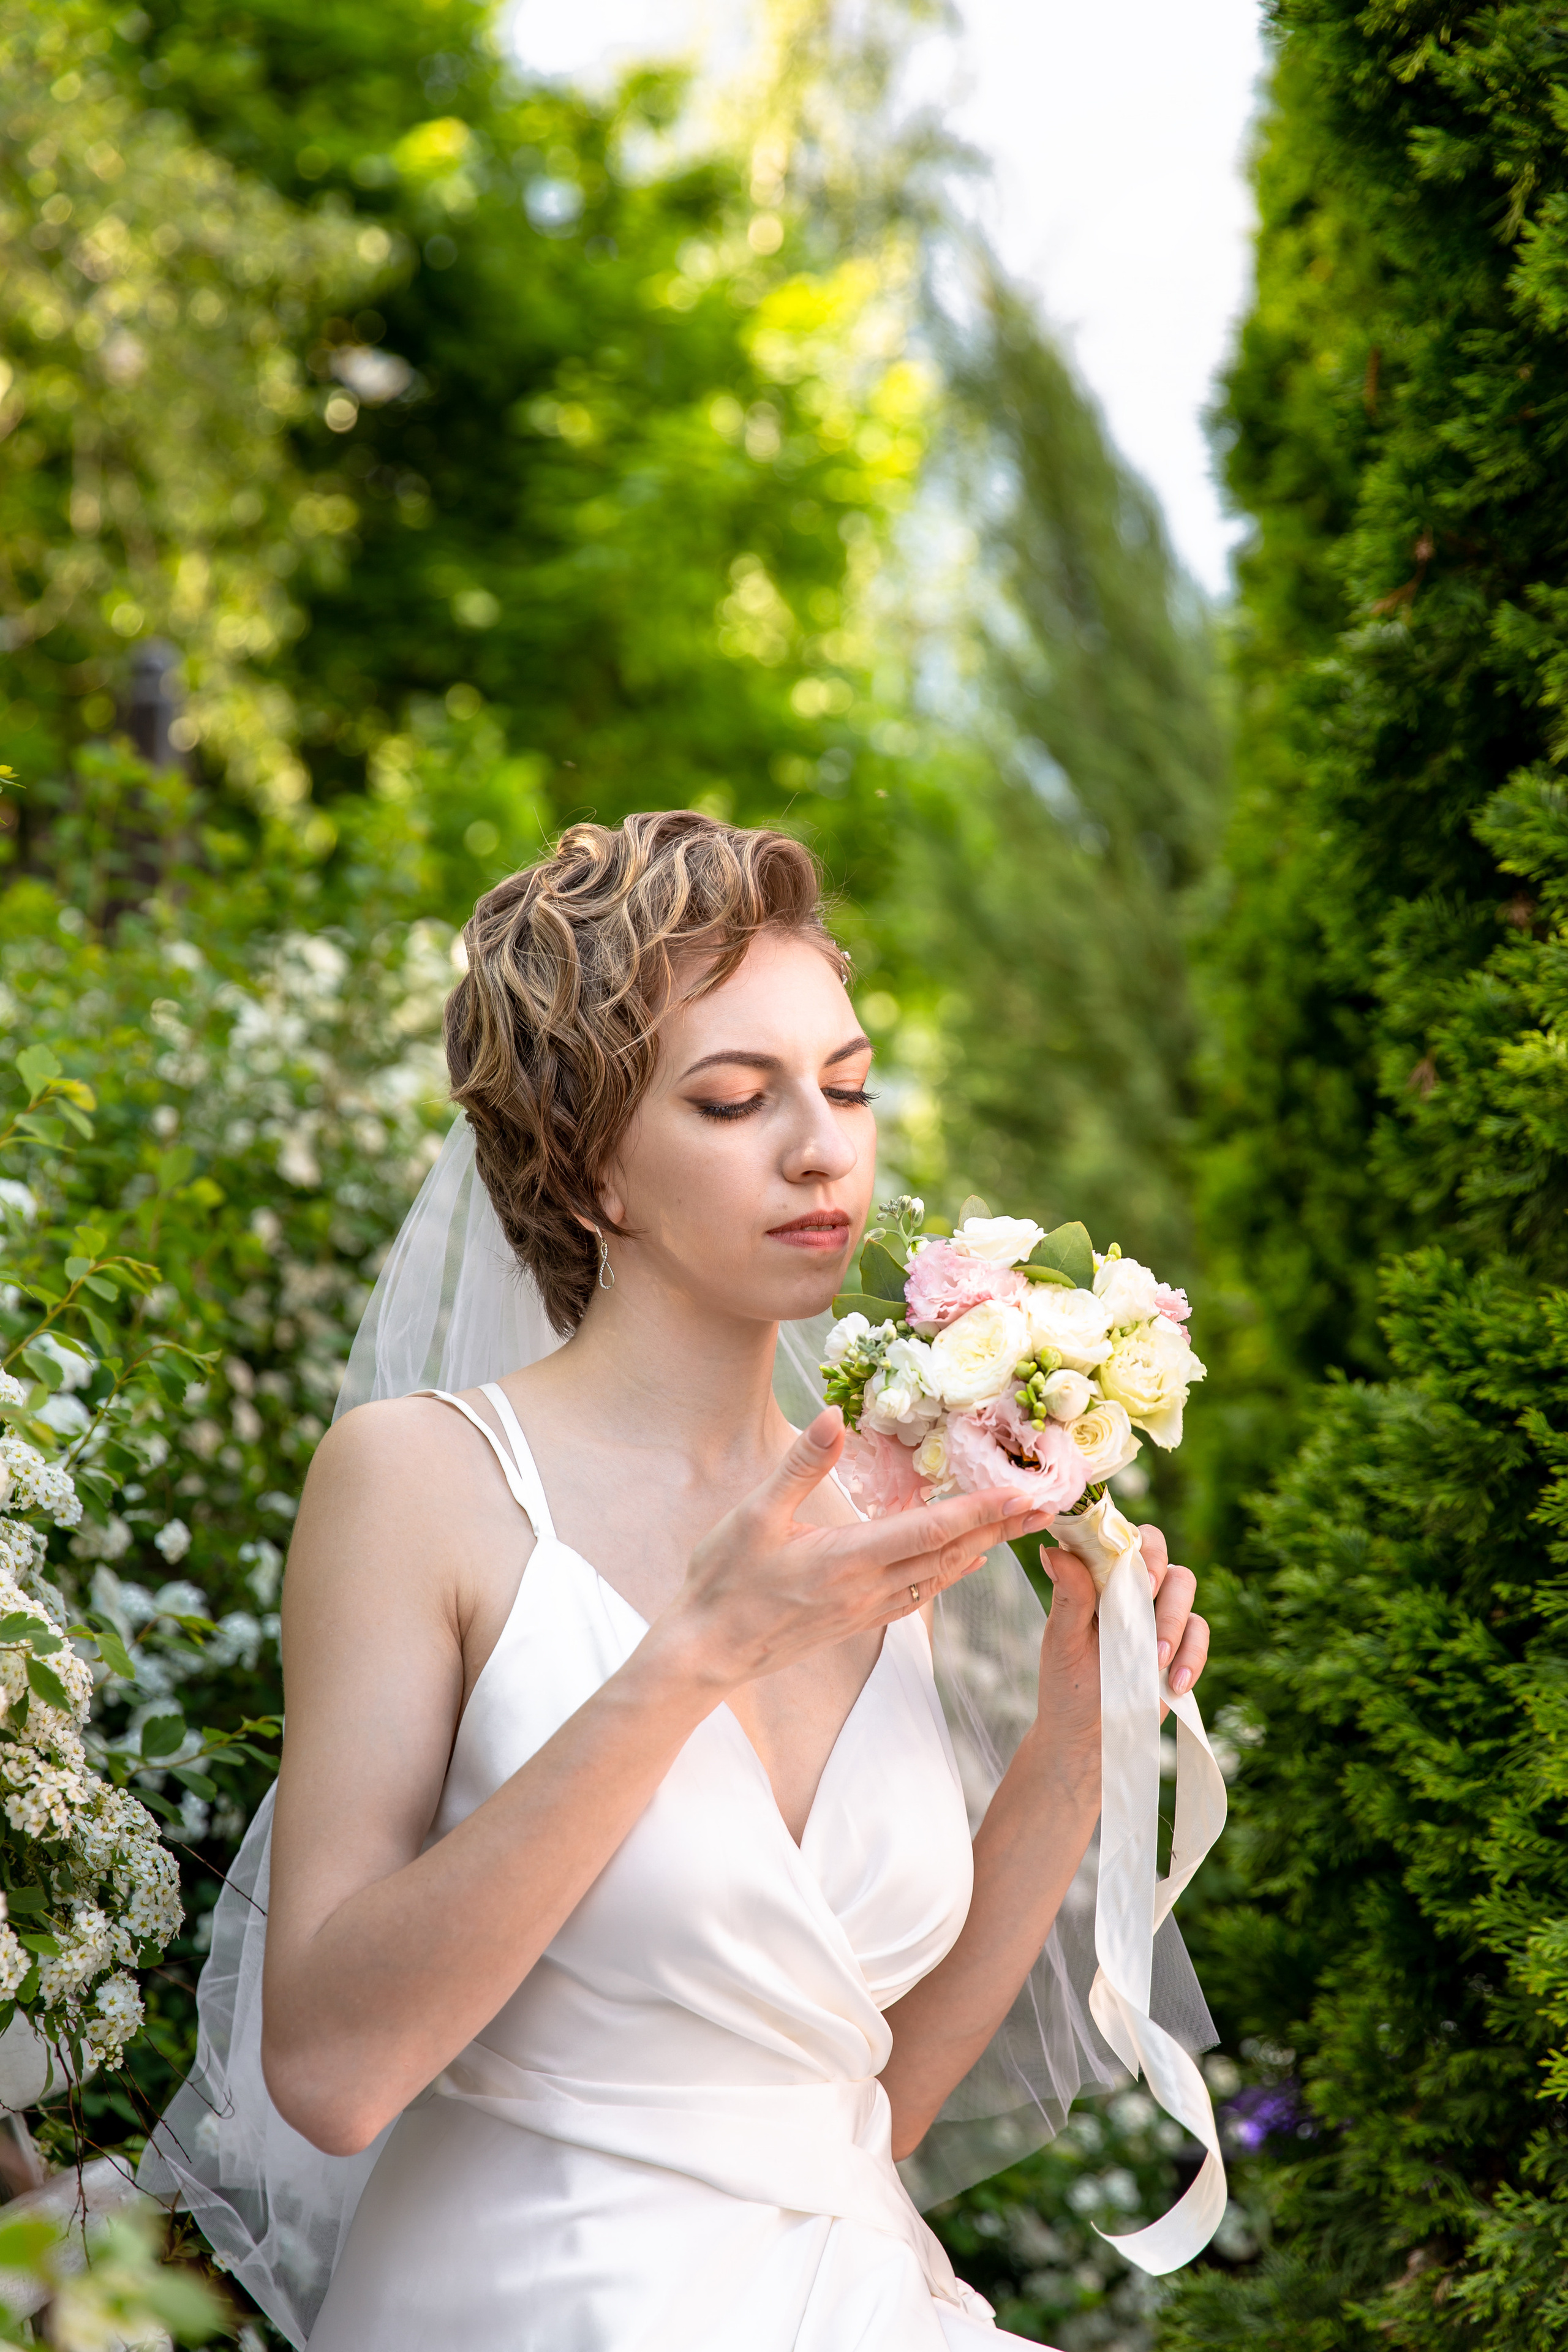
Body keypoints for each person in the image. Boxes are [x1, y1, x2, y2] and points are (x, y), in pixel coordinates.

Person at [247, 813, 1209, 2347]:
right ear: (586, 1169)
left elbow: (866, 2108)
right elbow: (330, 2071)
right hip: (530, 2308)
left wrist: (1074, 1751)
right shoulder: (418, 1481)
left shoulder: (890, 1501)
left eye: (846, 1085)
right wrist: (690, 1655)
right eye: (733, 1099)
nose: (822, 1147)